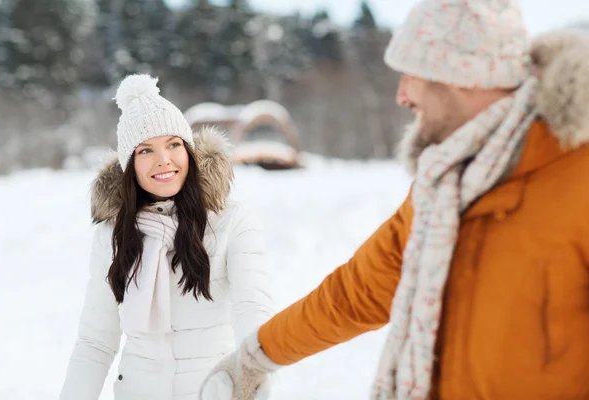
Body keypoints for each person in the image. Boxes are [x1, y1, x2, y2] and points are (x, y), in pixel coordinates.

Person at [198, 1, 589, 399]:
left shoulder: (578, 182)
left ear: (462, 74)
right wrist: (257, 356)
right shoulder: (442, 189)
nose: (402, 95)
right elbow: (355, 294)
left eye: (412, 74)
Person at [59, 74, 274, 400]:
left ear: (188, 150)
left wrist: (254, 378)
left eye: (173, 144)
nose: (163, 159)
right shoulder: (112, 234)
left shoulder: (232, 221)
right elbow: (96, 341)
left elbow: (252, 309)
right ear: (129, 165)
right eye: (146, 150)